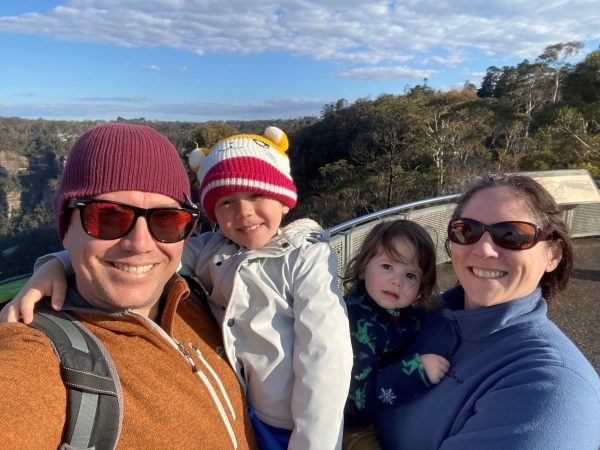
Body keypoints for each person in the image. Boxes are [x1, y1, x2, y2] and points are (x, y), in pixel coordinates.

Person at [4, 127, 353, 450]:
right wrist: (54, 263)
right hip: (261, 420)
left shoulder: (305, 260)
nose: (141, 243)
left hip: (297, 426)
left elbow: (325, 359)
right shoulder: (32, 353)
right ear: (65, 224)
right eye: (107, 216)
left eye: (167, 220)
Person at [375, 174, 600, 449]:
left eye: (512, 235)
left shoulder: (554, 391)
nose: (484, 249)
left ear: (553, 254)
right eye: (467, 230)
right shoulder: (420, 314)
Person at [341, 219, 451, 450]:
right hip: (351, 427)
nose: (397, 280)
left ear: (422, 286)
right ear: (363, 268)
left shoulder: (399, 312)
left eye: (410, 275)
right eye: (387, 267)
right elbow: (357, 396)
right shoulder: (356, 323)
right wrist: (415, 372)